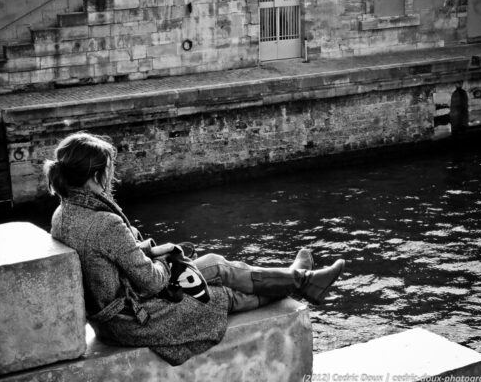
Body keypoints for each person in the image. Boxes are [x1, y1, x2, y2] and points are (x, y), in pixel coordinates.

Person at [44, 132, 345, 365]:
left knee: (214, 265)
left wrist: (145, 250)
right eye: (109, 170)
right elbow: (150, 280)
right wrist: (167, 260)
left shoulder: (64, 213)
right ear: (96, 176)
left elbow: (109, 258)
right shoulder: (105, 223)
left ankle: (300, 278)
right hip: (134, 318)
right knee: (220, 288)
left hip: (112, 318)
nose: (111, 177)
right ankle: (301, 281)